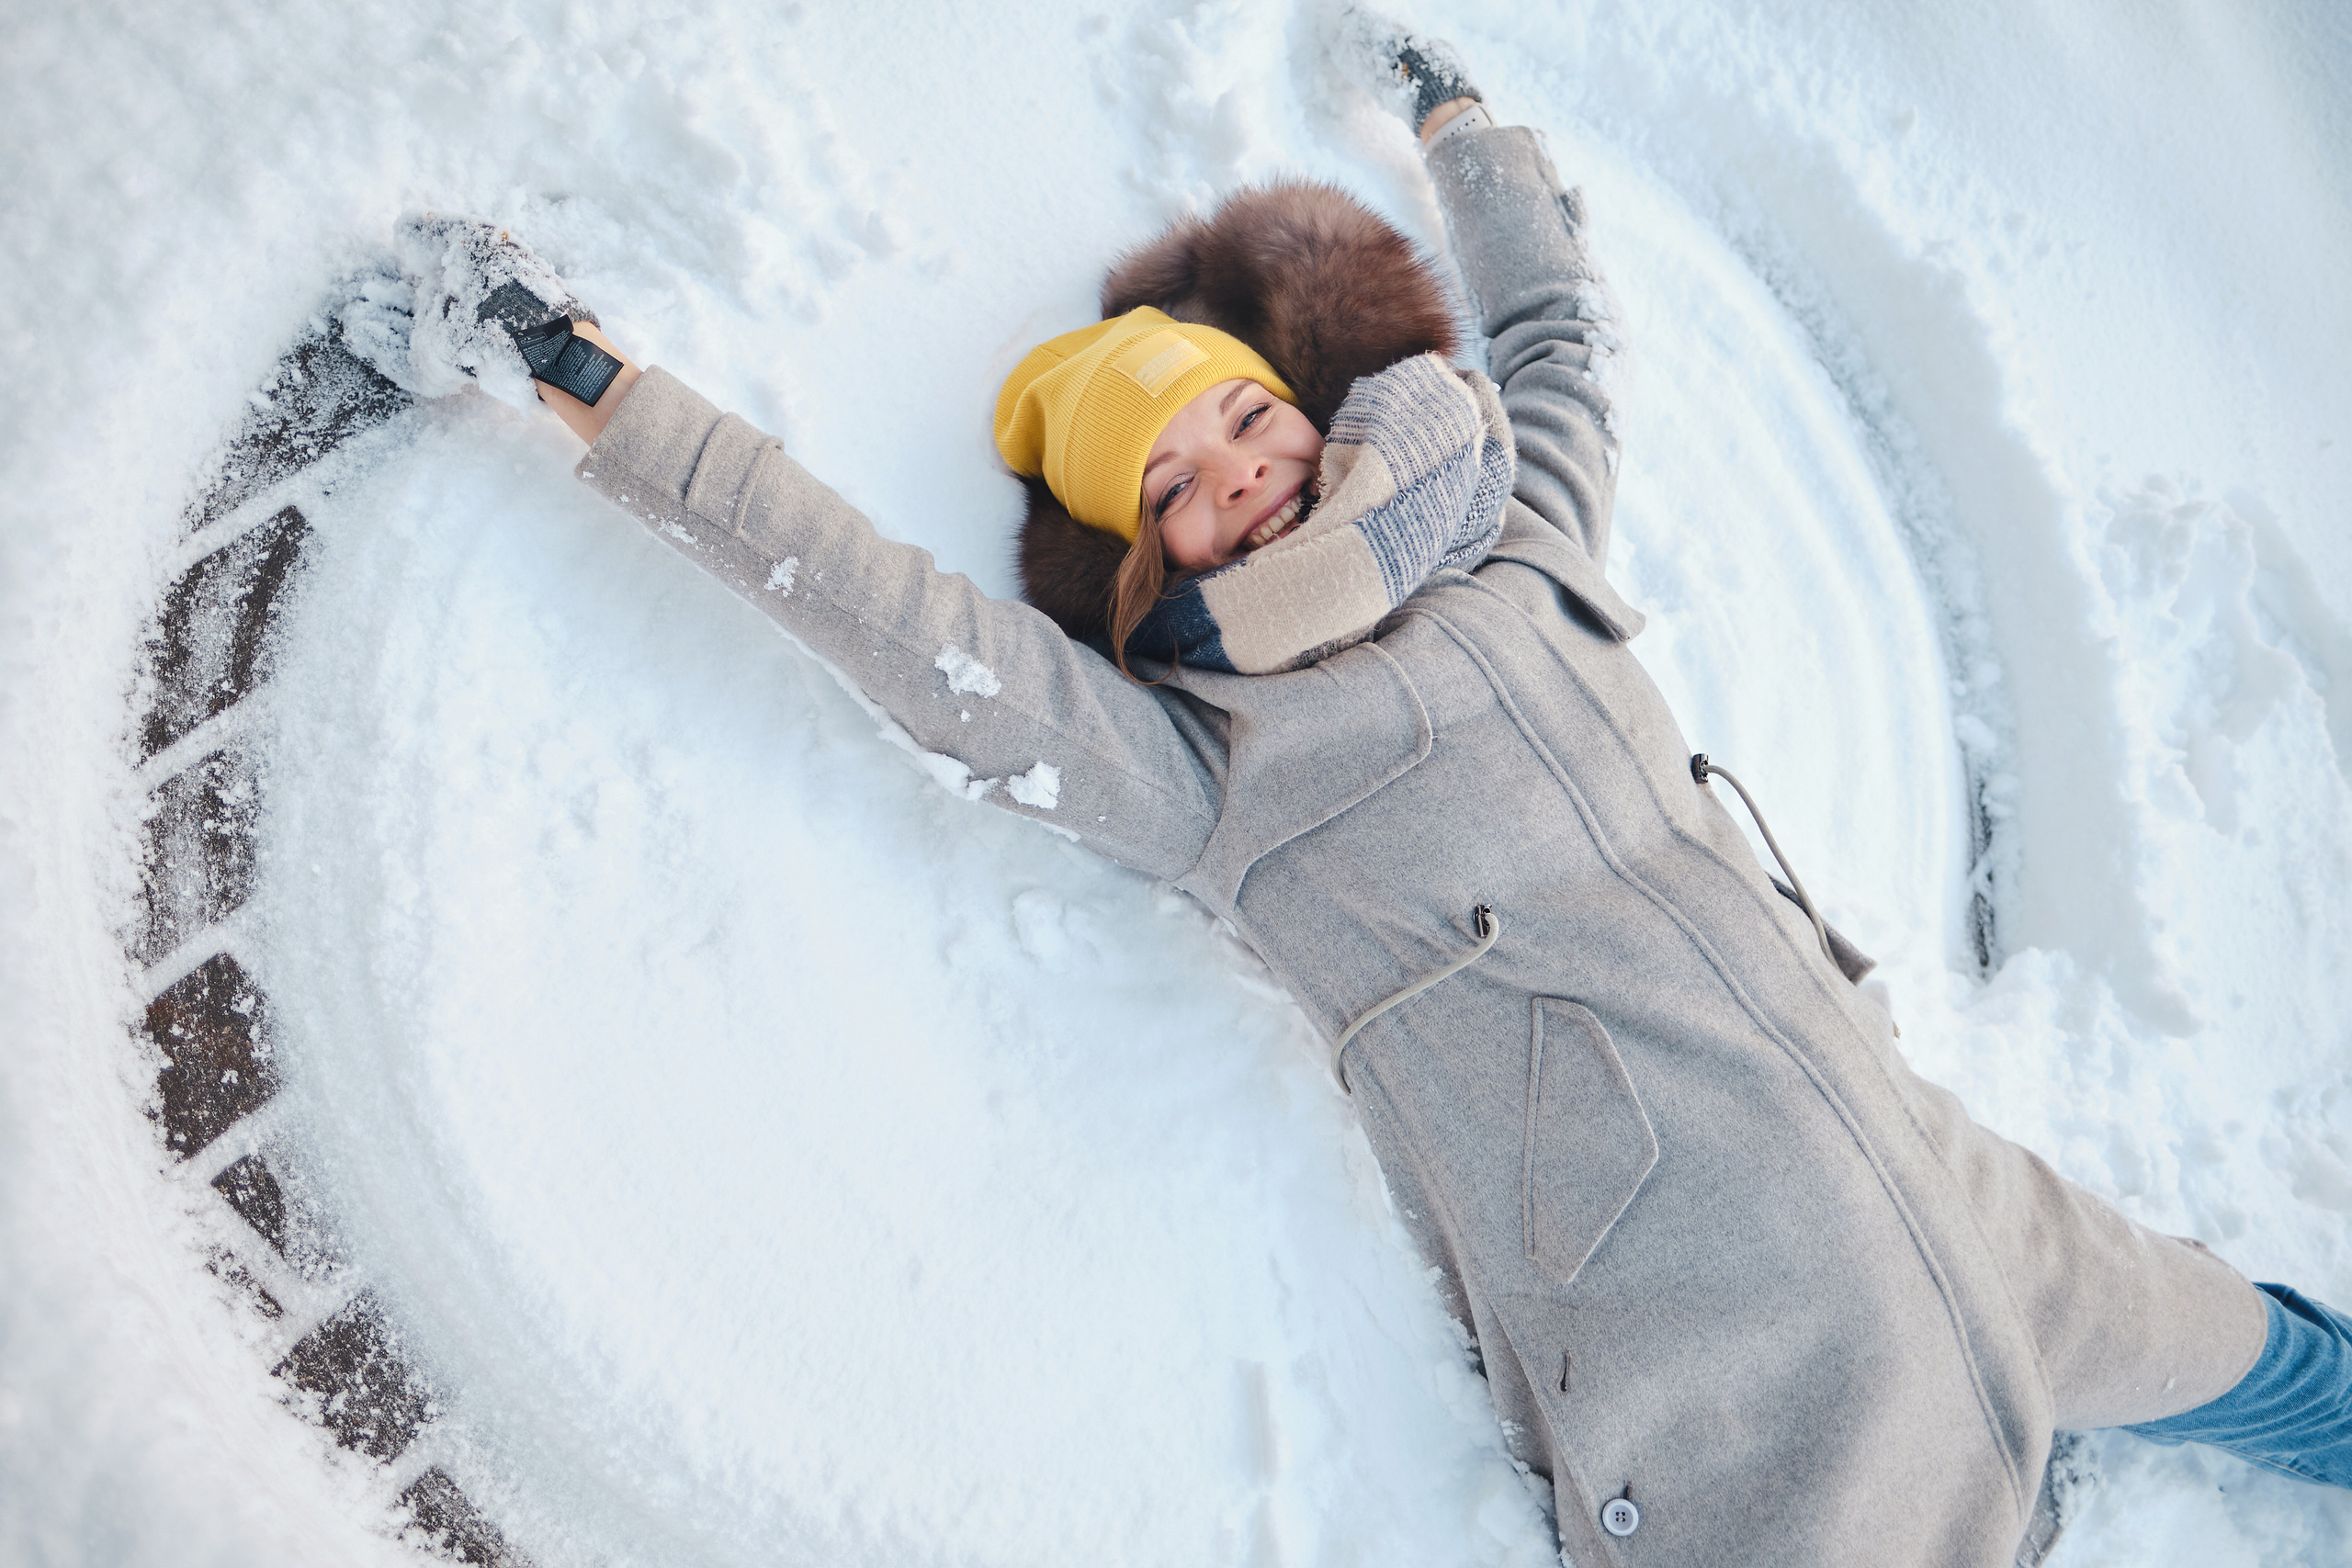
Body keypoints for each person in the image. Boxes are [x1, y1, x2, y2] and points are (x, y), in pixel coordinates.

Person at [357, 23, 2352, 1568]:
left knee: (2272, 1360)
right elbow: (908, 639)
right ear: (1152, 562)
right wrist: (590, 385)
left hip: (1962, 1203)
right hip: (1734, 1362)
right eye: (1172, 484)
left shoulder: (1515, 529)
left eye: (1239, 416)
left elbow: (1561, 328)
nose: (1234, 470)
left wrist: (1457, 120)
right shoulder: (1209, 765)